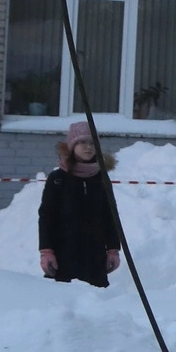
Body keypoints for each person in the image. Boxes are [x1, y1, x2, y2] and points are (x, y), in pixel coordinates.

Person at [37, 119, 124, 287]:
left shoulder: (101, 178)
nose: (88, 147)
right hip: (64, 255)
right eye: (82, 142)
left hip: (95, 256)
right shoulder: (58, 179)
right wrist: (46, 251)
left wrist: (113, 249)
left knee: (95, 304)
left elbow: (110, 215)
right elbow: (46, 216)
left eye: (92, 143)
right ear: (71, 145)